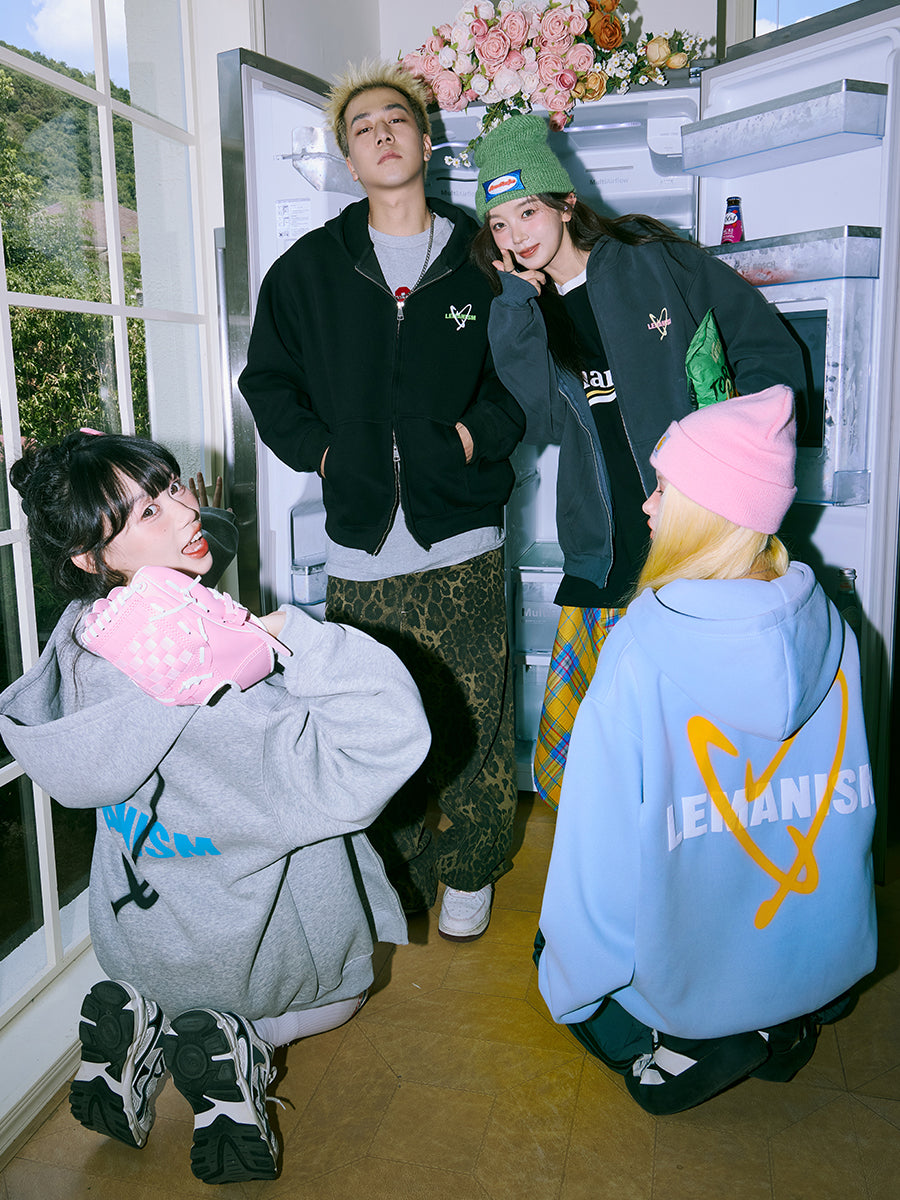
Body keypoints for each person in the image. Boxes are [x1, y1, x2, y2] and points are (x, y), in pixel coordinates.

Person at [0, 430, 431, 1183]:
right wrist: (291, 635)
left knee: (178, 983)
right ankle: (237, 1049)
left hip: (141, 942)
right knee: (344, 997)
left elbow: (196, 544)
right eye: (147, 512)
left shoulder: (87, 641)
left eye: (171, 486)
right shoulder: (233, 711)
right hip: (250, 954)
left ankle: (144, 1029)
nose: (184, 511)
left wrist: (164, 533)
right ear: (90, 556)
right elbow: (389, 738)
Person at [238, 62, 526, 940]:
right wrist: (325, 453)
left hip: (463, 532)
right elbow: (267, 382)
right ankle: (395, 866)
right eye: (361, 127)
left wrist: (469, 440)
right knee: (373, 720)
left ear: (426, 142)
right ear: (349, 160)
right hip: (362, 543)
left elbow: (521, 377)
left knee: (475, 711)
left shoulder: (483, 258)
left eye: (395, 119)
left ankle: (471, 865)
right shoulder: (307, 271)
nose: (381, 134)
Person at [534, 386, 877, 1114]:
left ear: (708, 511)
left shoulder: (638, 650)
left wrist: (569, 977)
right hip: (816, 957)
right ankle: (783, 1017)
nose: (648, 504)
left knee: (553, 957)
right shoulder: (837, 630)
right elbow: (848, 817)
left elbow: (596, 859)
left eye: (664, 488)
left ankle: (681, 1040)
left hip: (686, 974)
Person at [471, 113, 806, 810]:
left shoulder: (649, 257)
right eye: (499, 224)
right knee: (587, 753)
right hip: (603, 546)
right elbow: (539, 419)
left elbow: (764, 346)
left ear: (566, 203)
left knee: (698, 748)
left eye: (527, 211)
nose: (516, 235)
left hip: (697, 536)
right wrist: (513, 306)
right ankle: (610, 862)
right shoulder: (527, 305)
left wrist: (737, 457)